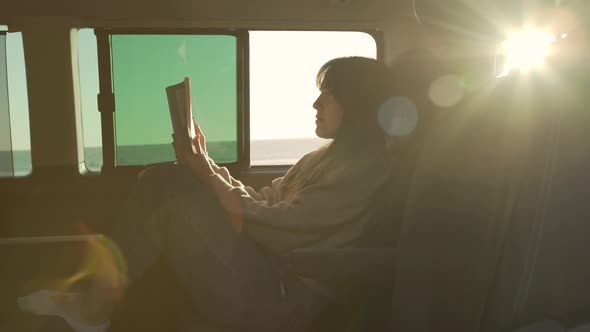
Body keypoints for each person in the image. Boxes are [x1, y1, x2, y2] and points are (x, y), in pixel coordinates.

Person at [18, 56, 399, 332]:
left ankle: (93, 309)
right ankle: (95, 303)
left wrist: (203, 173)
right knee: (164, 181)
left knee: (164, 186)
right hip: (267, 273)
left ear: (358, 103)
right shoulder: (322, 157)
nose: (316, 104)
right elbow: (265, 199)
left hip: (283, 297)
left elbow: (281, 230)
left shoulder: (366, 168)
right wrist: (209, 166)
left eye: (328, 95)